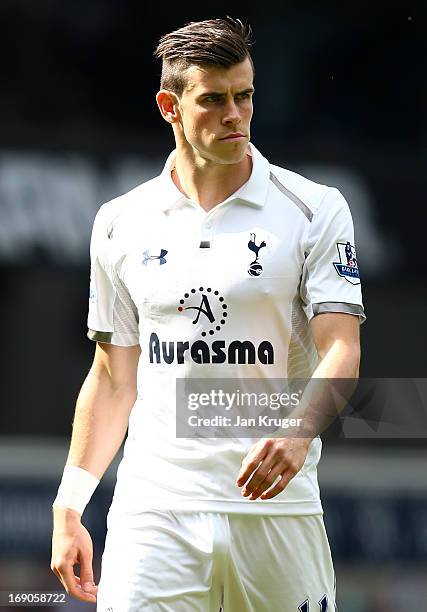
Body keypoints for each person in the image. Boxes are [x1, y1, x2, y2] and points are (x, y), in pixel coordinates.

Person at [50, 17, 365, 611]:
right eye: (214, 99)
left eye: (244, 96)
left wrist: (298, 433)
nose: (235, 115)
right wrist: (71, 502)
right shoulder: (121, 221)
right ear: (169, 106)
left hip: (277, 507)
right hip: (155, 506)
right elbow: (115, 376)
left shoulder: (314, 209)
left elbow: (342, 350)